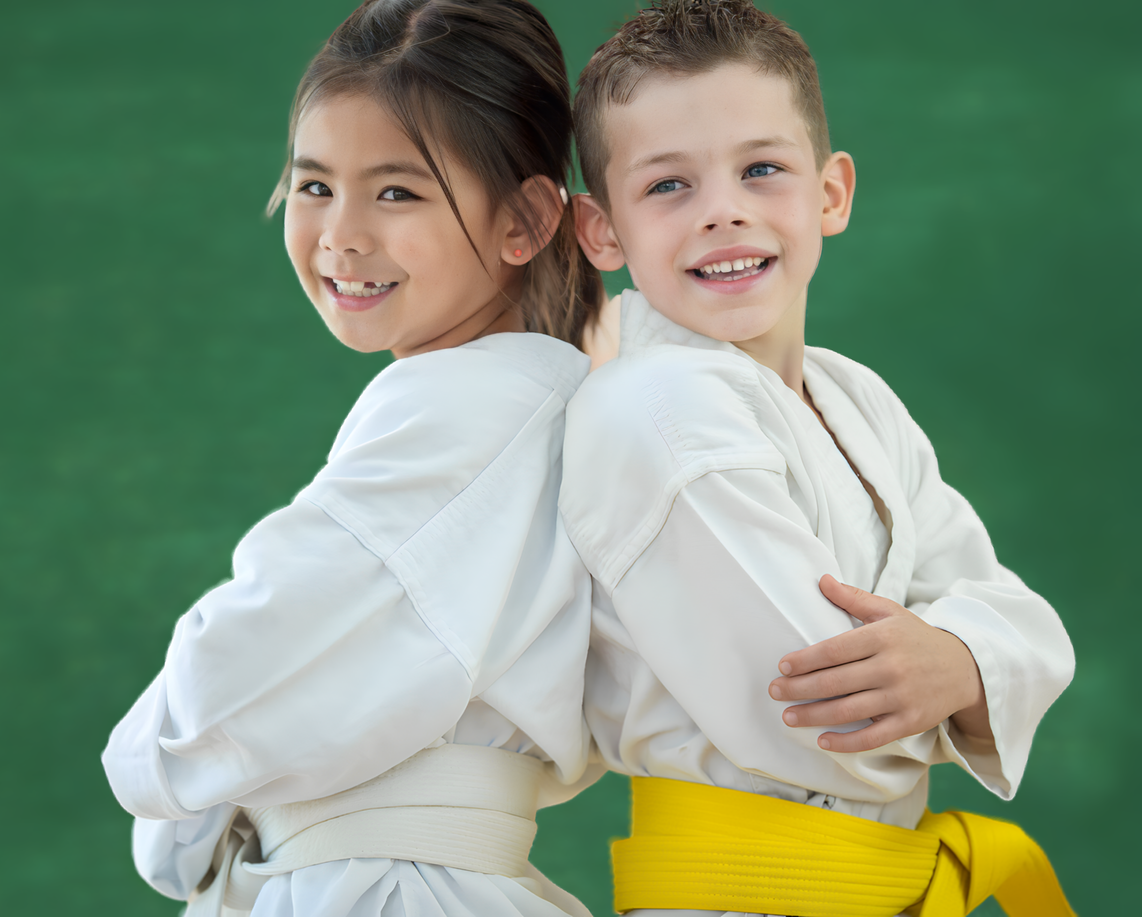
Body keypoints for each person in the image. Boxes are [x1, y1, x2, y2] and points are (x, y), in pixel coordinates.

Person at [560, 1, 1076, 914]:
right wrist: (966, 669)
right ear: (602, 231)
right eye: (668, 186)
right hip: (748, 890)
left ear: (830, 193)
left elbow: (1024, 618)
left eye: (762, 170)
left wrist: (957, 657)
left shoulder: (855, 396)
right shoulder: (654, 408)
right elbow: (831, 716)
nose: (724, 212)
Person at [101, 2, 606, 915]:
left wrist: (153, 766)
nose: (340, 233)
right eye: (313, 185)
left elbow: (218, 693)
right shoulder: (542, 401)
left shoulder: (467, 406)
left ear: (526, 218)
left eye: (398, 191)